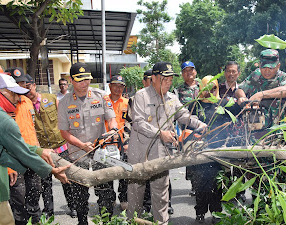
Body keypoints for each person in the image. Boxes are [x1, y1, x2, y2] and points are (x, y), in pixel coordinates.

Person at [127, 62, 207, 225]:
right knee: (136, 194)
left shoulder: (172, 98)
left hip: (162, 155)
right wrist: (160, 133)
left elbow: (184, 116)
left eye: (170, 78)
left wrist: (198, 124)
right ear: (154, 78)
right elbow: (138, 123)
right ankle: (132, 222)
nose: (169, 82)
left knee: (161, 197)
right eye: (165, 78)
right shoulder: (141, 96)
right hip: (139, 154)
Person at [0, 73, 69, 225]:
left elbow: (3, 153)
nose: (17, 98)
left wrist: (39, 151)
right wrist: (51, 170)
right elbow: (20, 152)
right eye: (13, 93)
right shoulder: (1, 119)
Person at [58, 62, 118, 225]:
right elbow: (64, 132)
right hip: (78, 154)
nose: (84, 84)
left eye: (87, 80)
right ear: (71, 80)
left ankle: (107, 221)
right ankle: (82, 221)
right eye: (79, 80)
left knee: (105, 191)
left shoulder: (101, 96)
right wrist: (82, 145)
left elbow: (111, 118)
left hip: (101, 153)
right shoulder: (64, 102)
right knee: (79, 192)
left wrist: (113, 130)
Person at [24, 75, 76, 218]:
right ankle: (48, 210)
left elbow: (65, 118)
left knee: (66, 178)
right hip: (43, 151)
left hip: (61, 147)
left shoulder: (51, 99)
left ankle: (73, 207)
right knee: (45, 182)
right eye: (23, 88)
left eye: (28, 86)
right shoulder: (25, 105)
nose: (26, 90)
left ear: (34, 85)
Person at [192, 76, 241, 224]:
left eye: (213, 88)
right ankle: (200, 212)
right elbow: (187, 124)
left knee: (217, 184)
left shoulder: (224, 103)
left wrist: (241, 98)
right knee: (201, 183)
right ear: (201, 88)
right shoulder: (196, 105)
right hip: (201, 149)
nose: (211, 92)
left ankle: (216, 212)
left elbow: (239, 108)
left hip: (219, 148)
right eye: (207, 88)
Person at [6, 67, 43, 225]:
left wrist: (39, 152)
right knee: (18, 201)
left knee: (34, 197)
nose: (21, 86)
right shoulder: (5, 105)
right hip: (15, 161)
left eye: (22, 83)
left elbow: (32, 130)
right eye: (17, 83)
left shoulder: (27, 101)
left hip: (32, 158)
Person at [237, 49, 286, 132]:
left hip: (277, 131)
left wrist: (261, 95)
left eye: (271, 67)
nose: (267, 71)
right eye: (264, 67)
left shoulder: (283, 77)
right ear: (259, 65)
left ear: (278, 66)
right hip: (254, 131)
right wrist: (242, 97)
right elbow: (239, 89)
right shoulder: (255, 75)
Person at [177, 61, 200, 197]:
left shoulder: (203, 86)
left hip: (202, 124)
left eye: (191, 70)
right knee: (190, 154)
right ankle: (194, 185)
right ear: (182, 74)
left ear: (195, 72)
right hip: (187, 127)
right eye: (186, 71)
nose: (189, 73)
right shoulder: (178, 90)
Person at [107, 75, 129, 210]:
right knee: (107, 173)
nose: (118, 88)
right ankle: (109, 199)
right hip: (107, 145)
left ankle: (124, 199)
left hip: (123, 144)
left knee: (124, 173)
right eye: (115, 85)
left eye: (121, 85)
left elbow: (131, 124)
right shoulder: (103, 102)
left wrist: (128, 142)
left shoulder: (128, 103)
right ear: (110, 86)